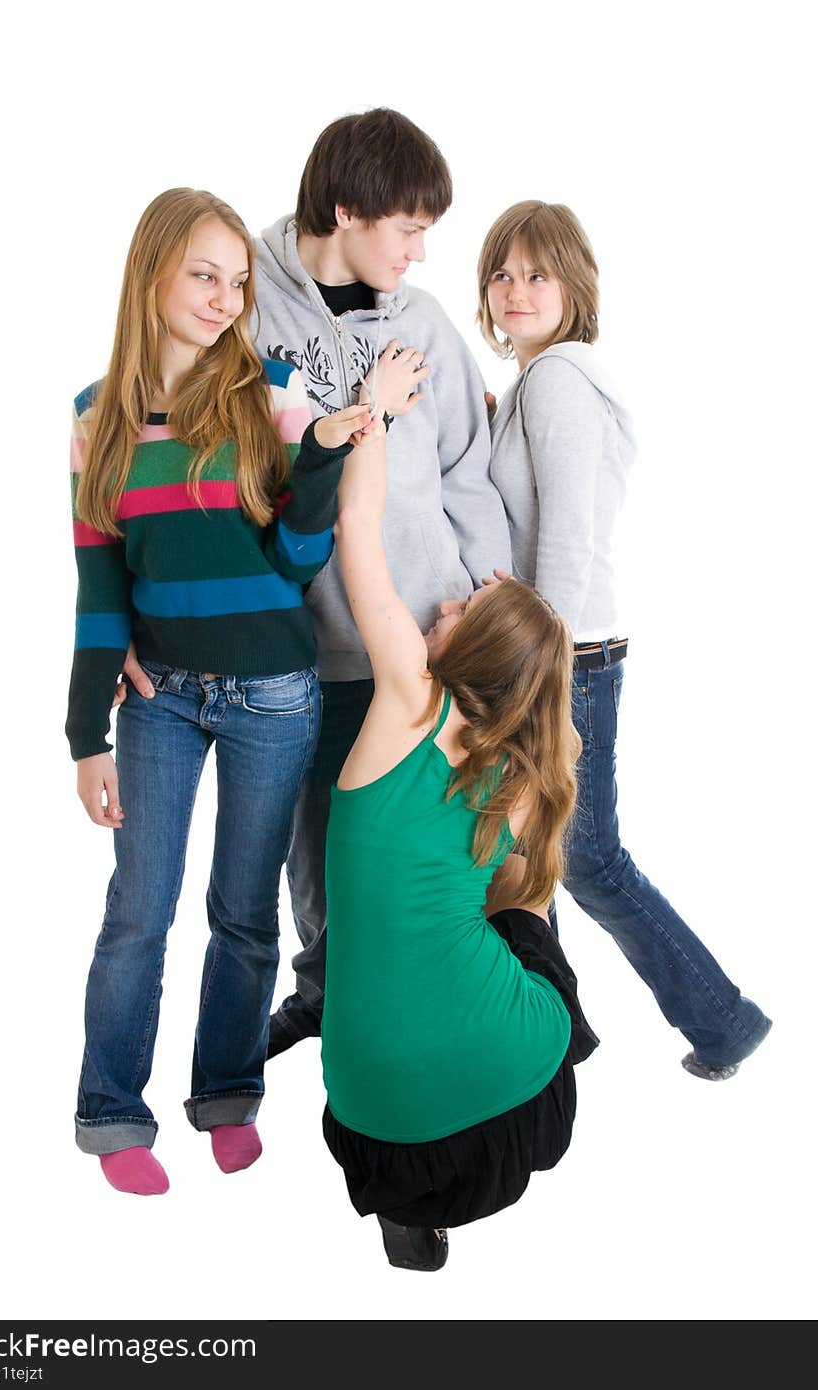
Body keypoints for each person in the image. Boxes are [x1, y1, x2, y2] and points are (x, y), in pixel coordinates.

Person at [120, 110, 512, 1054]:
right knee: (315, 859)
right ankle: (331, 1000)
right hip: (296, 653)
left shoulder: (420, 322)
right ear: (347, 211)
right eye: (408, 228)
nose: (420, 254)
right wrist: (140, 615)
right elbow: (183, 464)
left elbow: (469, 466)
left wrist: (495, 596)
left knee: (441, 860)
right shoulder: (243, 303)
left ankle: (457, 1027)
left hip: (432, 640)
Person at [67, 187, 374, 1196]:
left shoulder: (270, 390)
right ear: (151, 271)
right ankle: (113, 1111)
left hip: (276, 697)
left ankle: (227, 1096)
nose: (222, 295)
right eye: (204, 272)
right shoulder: (93, 421)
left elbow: (294, 555)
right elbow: (101, 586)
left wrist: (322, 455)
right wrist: (85, 734)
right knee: (137, 911)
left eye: (237, 280)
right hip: (156, 700)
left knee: (245, 913)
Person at [479, 200, 772, 1079]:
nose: (517, 290)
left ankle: (720, 1021)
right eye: (501, 272)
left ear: (575, 286)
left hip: (564, 657)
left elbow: (566, 536)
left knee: (585, 856)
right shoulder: (544, 382)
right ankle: (557, 1029)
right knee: (531, 850)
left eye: (538, 273)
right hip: (560, 650)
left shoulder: (560, 381)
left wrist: (538, 661)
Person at [319, 397, 598, 1271]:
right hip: (516, 1107)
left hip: (373, 1124)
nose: (447, 596)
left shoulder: (408, 697)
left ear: (478, 644)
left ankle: (409, 1216)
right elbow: (523, 884)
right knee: (527, 912)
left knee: (506, 922)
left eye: (470, 600)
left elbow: (357, 522)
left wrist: (377, 419)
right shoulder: (518, 777)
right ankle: (569, 1035)